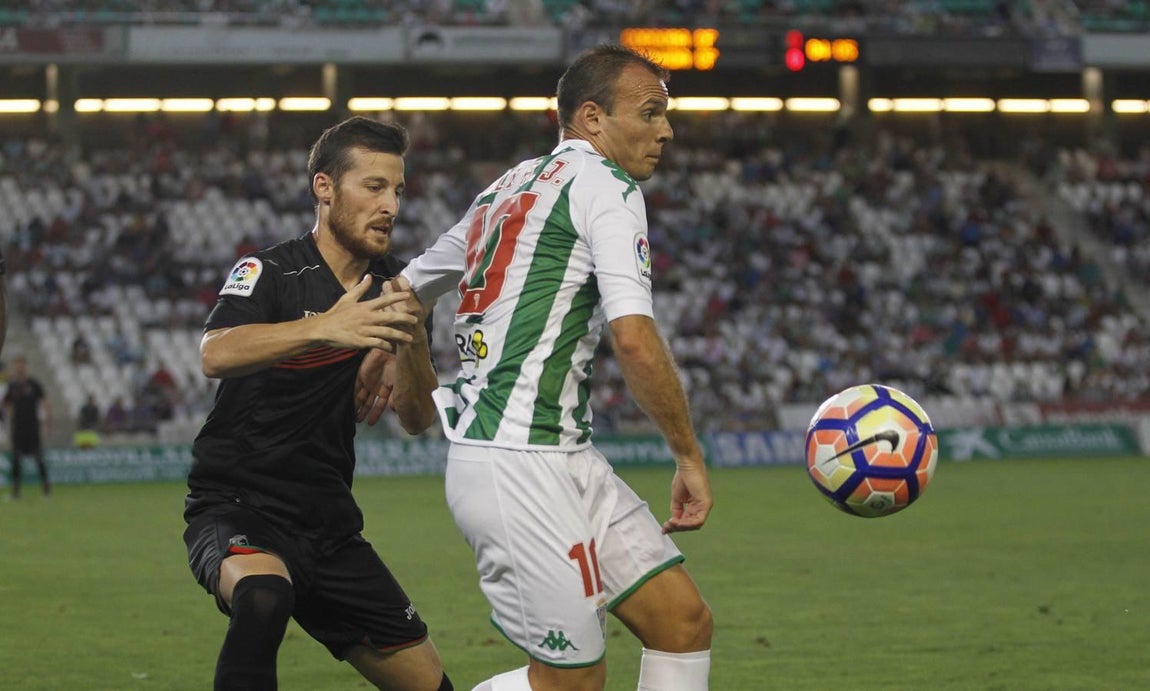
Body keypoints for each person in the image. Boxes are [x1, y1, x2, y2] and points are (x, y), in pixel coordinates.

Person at [400, 44, 713, 691]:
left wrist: (393, 354)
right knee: (571, 680)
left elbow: (408, 289)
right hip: (517, 464)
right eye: (650, 112)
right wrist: (687, 455)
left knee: (681, 621)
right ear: (593, 119)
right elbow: (633, 337)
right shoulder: (606, 187)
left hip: (562, 452)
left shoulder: (507, 185)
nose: (667, 130)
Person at [182, 116, 453, 691]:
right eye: (374, 186)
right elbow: (216, 353)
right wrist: (325, 329)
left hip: (328, 525)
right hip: (237, 503)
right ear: (324, 188)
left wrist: (411, 337)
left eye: (397, 191)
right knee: (263, 597)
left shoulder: (394, 288)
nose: (391, 206)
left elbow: (417, 417)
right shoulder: (271, 271)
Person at [3, 355, 53, 499]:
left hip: (32, 426)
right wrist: (10, 415)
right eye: (17, 365)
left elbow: (45, 401)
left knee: (38, 457)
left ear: (26, 367)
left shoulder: (34, 384)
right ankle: (16, 492)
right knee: (16, 459)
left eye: (22, 365)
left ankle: (46, 490)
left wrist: (48, 421)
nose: (20, 368)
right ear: (14, 367)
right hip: (18, 427)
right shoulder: (11, 386)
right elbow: (6, 403)